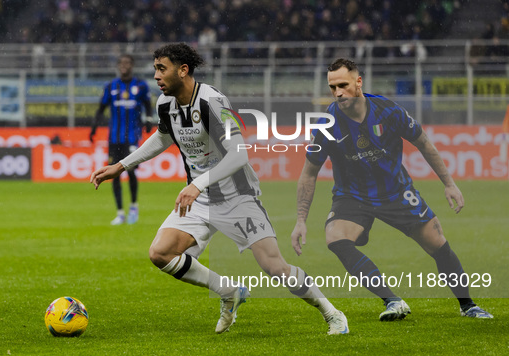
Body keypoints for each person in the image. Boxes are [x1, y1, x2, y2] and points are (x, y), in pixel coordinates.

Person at [91, 43, 349, 335]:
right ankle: (229, 291)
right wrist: (121, 166)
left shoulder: (212, 101)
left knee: (275, 267)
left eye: (162, 69)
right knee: (160, 253)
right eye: (155, 69)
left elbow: (239, 154)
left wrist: (197, 185)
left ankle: (333, 314)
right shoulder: (165, 104)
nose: (156, 76)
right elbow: (163, 137)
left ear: (183, 70)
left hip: (237, 197)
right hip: (200, 200)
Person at [291, 58, 493, 320]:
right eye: (332, 87)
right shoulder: (327, 124)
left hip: (396, 192)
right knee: (336, 238)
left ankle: (468, 305)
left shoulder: (388, 111)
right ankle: (393, 301)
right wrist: (300, 220)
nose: (338, 92)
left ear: (358, 82)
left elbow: (424, 143)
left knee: (438, 244)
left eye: (343, 85)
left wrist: (449, 184)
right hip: (353, 196)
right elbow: (308, 173)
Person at [89, 54, 153, 225]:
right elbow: (101, 108)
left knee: (131, 171)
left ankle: (133, 207)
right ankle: (120, 213)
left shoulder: (141, 86)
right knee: (113, 174)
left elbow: (148, 105)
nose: (124, 66)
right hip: (114, 139)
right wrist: (93, 129)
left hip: (132, 138)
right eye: (122, 63)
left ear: (132, 65)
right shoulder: (111, 86)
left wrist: (148, 120)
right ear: (118, 66)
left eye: (128, 63)